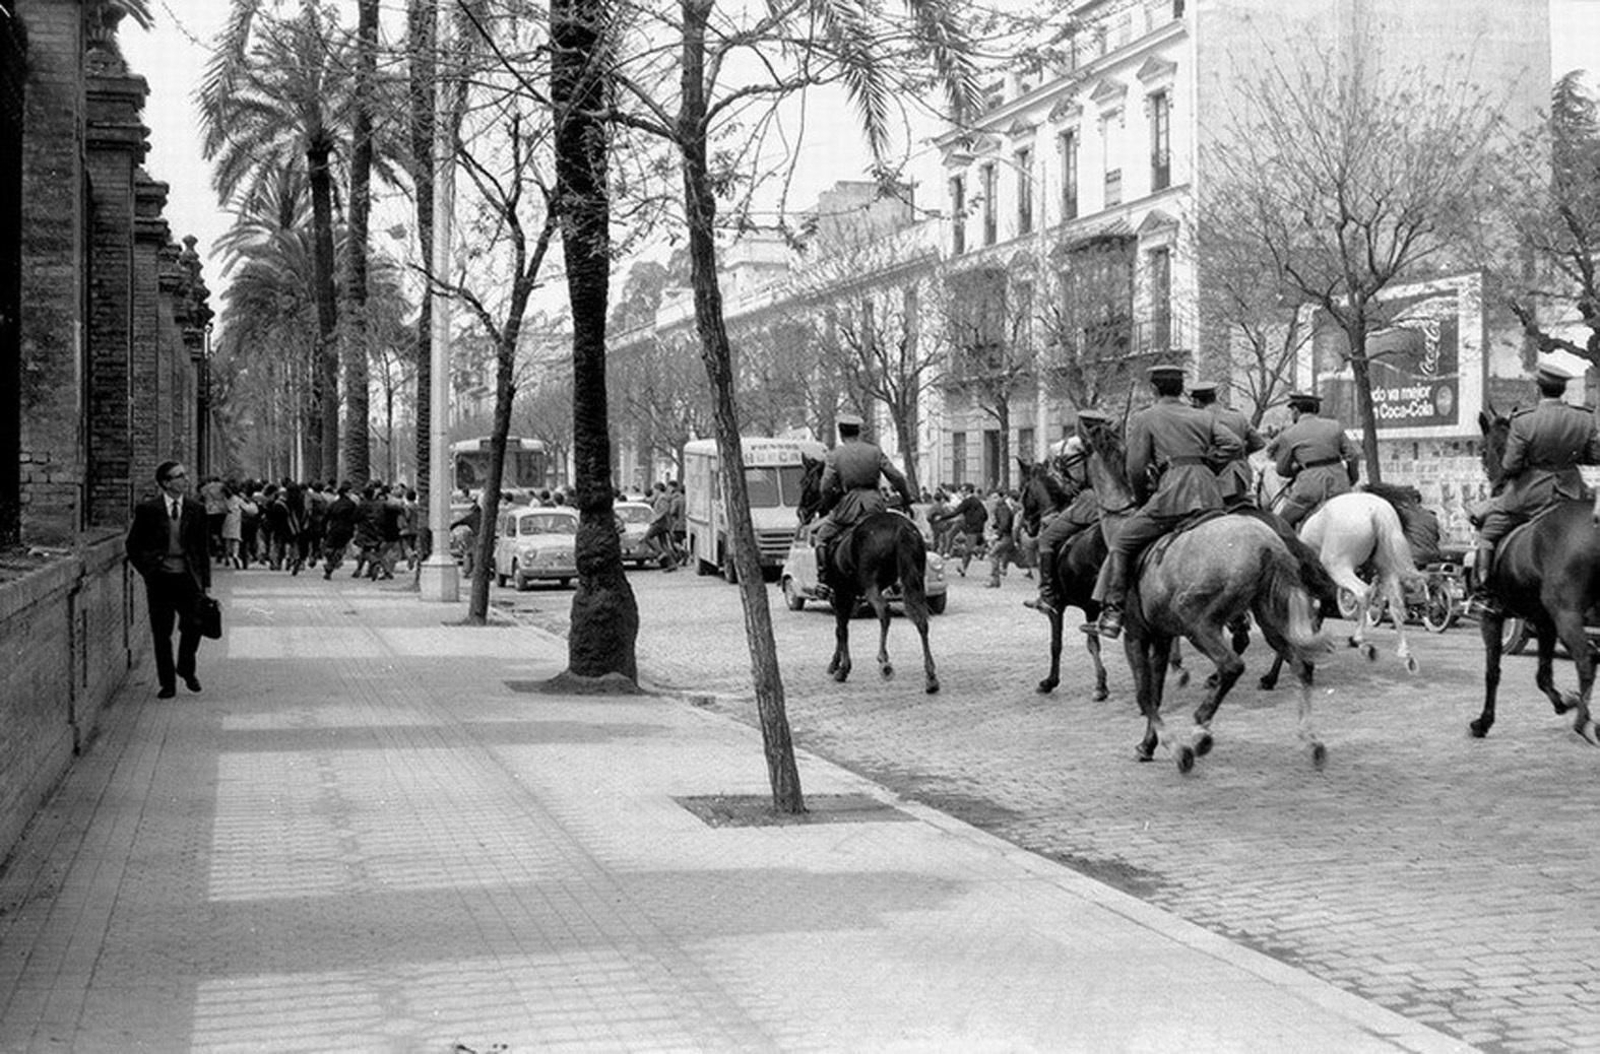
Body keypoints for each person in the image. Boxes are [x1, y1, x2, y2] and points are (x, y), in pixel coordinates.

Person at [1094, 365, 1243, 640]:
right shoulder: (1201, 416)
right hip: (1210, 495)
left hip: (1173, 495)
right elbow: (1235, 444)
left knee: (1122, 542)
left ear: (1154, 389)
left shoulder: (1145, 417)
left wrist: (1142, 500)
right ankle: (1238, 613)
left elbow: (1135, 469)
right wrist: (1207, 462)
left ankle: (1114, 610)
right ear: (1181, 389)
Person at [1471, 355, 1600, 610]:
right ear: (1563, 389)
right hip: (1572, 492)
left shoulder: (1524, 421)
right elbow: (1594, 457)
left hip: (1530, 495)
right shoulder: (1584, 418)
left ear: (1538, 388)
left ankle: (1484, 590)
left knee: (1489, 531)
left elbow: (1510, 466)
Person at [125, 460, 211, 699]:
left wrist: (205, 583)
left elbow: (202, 549)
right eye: (179, 476)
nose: (185, 479)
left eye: (185, 475)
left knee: (193, 625)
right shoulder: (148, 510)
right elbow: (133, 545)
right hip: (161, 579)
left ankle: (185, 666)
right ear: (166, 483)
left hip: (188, 578)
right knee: (162, 633)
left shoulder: (196, 509)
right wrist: (149, 570)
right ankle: (168, 684)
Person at [812, 412, 915, 567]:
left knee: (821, 538)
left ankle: (823, 578)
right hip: (874, 505)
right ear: (858, 432)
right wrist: (907, 498)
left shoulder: (834, 455)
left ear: (841, 433)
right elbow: (897, 477)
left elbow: (825, 487)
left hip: (847, 507)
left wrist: (828, 504)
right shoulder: (875, 451)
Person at [1026, 431, 1100, 616]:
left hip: (1087, 505)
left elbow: (1073, 487)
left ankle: (1048, 593)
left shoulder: (1077, 458)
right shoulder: (1101, 453)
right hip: (1109, 506)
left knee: (1046, 539)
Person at [1265, 391, 1359, 531]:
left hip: (1309, 489)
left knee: (1281, 524)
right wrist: (1351, 478)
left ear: (1296, 410)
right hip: (1340, 485)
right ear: (1316, 409)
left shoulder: (1289, 434)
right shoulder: (1335, 426)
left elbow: (1282, 470)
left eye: (1292, 411)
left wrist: (1296, 469)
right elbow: (1352, 455)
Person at [1190, 381, 1265, 511]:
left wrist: (1214, 457)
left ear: (1196, 402)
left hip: (1210, 478)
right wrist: (1241, 454)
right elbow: (1259, 442)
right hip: (1239, 476)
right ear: (1215, 397)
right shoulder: (1237, 416)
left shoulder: (1198, 419)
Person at [931, 482, 988, 576]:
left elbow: (956, 512)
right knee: (970, 544)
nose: (961, 492)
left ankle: (964, 566)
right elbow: (985, 515)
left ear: (968, 491)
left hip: (972, 527)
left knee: (968, 549)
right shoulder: (977, 501)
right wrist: (980, 523)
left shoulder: (967, 501)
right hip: (977, 526)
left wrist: (941, 518)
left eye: (963, 490)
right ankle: (978, 552)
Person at [985, 490, 1020, 587]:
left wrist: (997, 534)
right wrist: (994, 526)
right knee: (1020, 560)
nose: (994, 500)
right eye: (993, 497)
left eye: (996, 497)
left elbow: (1004, 523)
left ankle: (995, 580)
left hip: (1006, 536)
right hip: (1008, 536)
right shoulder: (1003, 507)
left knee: (993, 554)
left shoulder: (1002, 508)